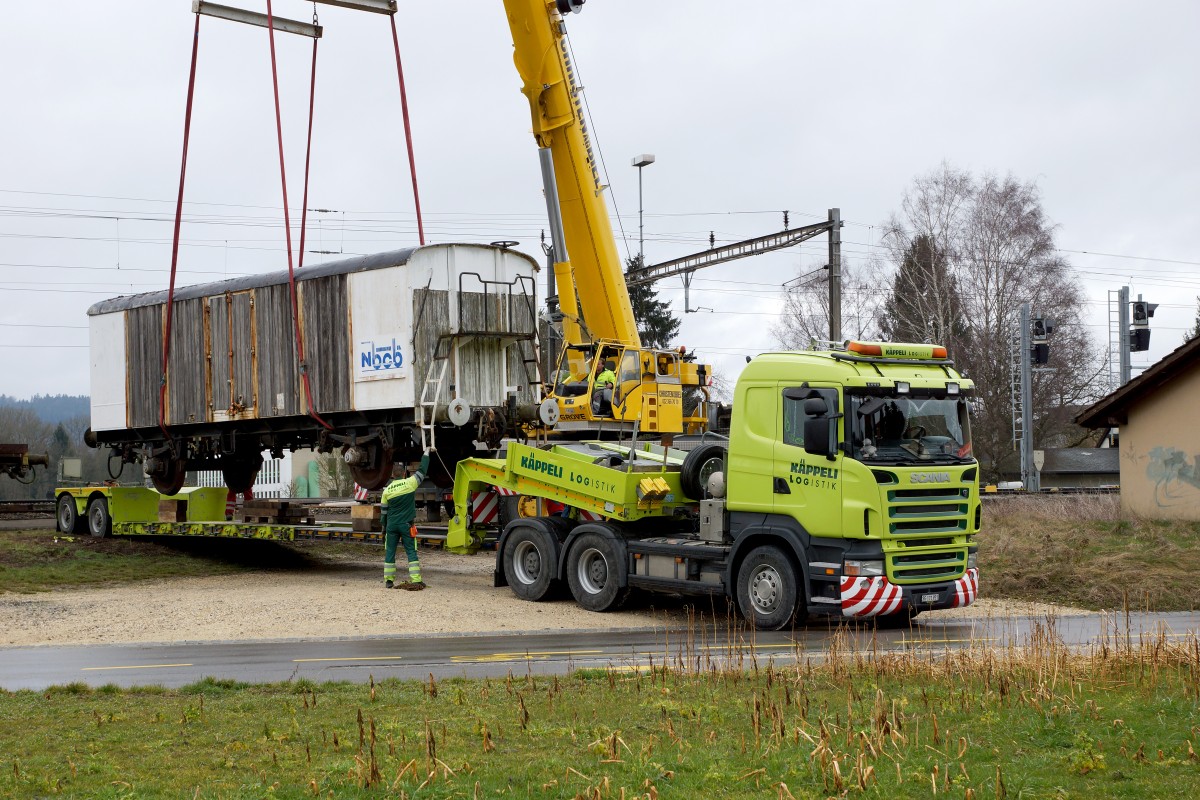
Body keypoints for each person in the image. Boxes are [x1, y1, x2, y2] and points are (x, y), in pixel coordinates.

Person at [381, 447, 432, 590]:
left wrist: (383, 529)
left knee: (390, 552)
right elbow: (422, 470)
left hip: (391, 526)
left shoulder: (386, 491)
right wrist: (426, 453)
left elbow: (384, 513)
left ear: (392, 475)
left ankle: (389, 581)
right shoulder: (410, 483)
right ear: (404, 474)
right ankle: (416, 579)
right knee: (411, 551)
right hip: (406, 525)